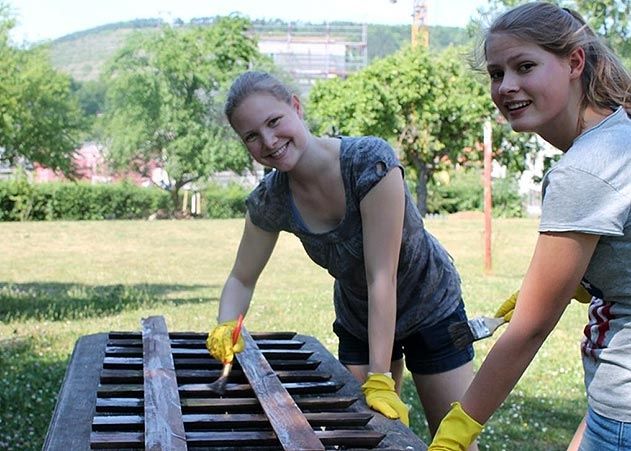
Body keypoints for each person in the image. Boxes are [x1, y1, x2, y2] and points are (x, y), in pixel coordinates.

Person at [207, 70, 478, 448]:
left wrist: (381, 378)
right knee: (367, 439)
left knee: (454, 440)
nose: (268, 141)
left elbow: (381, 274)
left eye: (274, 122)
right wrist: (225, 325)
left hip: (430, 306)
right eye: (251, 136)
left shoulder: (369, 162)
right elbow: (241, 279)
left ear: (296, 107)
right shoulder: (271, 199)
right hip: (359, 317)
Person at [428, 3, 631, 450]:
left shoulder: (585, 169)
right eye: (497, 73)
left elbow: (530, 330)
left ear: (574, 62)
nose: (507, 87)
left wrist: (457, 432)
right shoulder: (621, 135)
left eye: (525, 67)